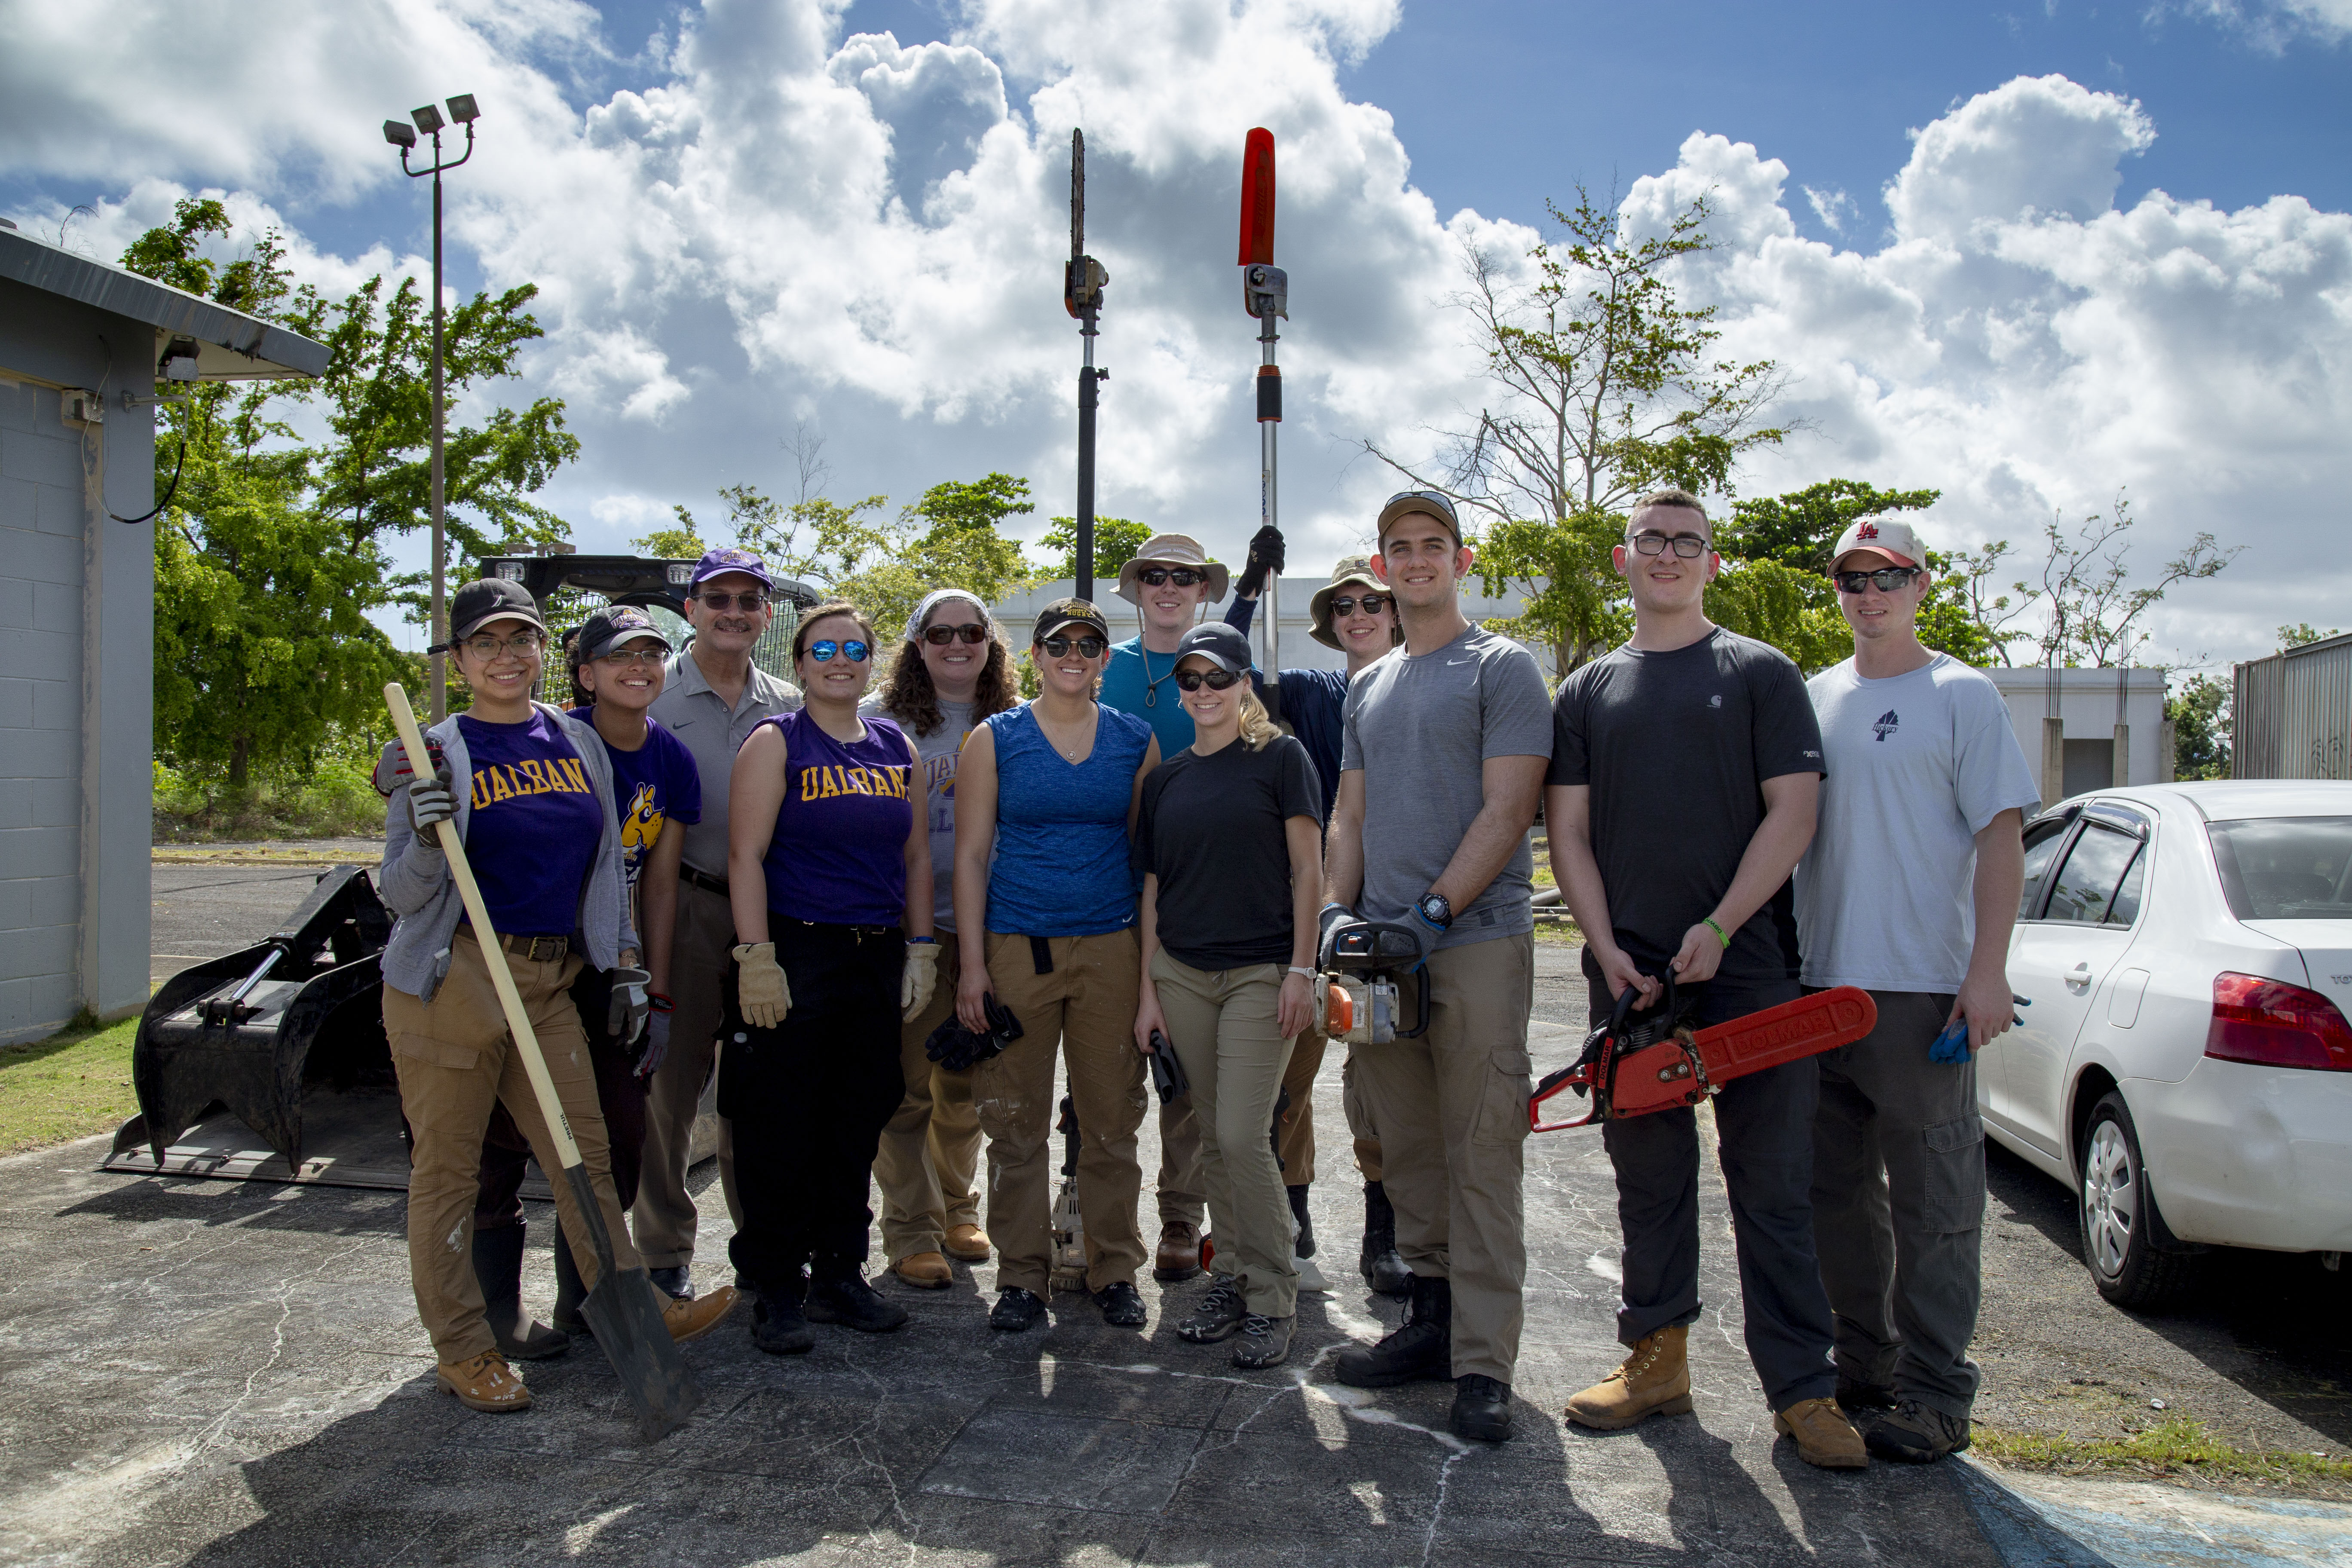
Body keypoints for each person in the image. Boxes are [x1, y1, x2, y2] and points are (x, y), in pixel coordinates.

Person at [1547, 488, 1863, 1470]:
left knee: (1772, 1185)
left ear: (1712, 562)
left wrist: (1722, 926)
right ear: (1623, 558)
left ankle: (1804, 1395)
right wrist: (1605, 951)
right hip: (1632, 980)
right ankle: (1658, 1362)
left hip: (1751, 974)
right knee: (1650, 1181)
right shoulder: (1588, 689)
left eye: (1689, 543)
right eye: (1654, 541)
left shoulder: (1762, 674)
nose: (1670, 556)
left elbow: (1794, 816)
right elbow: (1567, 833)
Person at [376, 578, 734, 1414]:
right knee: (450, 1174)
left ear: (546, 653)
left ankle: (630, 1306)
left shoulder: (575, 740)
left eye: (521, 639)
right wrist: (429, 833)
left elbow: (609, 867)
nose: (507, 656)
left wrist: (629, 963)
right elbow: (399, 890)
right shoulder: (433, 748)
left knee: (587, 1154)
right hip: (454, 978)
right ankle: (465, 1347)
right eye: (487, 643)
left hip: (547, 980)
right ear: (461, 660)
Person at [1798, 516, 2037, 1463]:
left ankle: (1938, 1397)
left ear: (1923, 584)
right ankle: (1867, 1373)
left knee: (1935, 1207)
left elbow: (2002, 837)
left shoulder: (1961, 696)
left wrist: (1987, 973)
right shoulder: (1815, 697)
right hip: (1820, 988)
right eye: (1853, 578)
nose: (1870, 593)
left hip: (1924, 993)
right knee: (1836, 1201)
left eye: (1889, 575)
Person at [1324, 492, 1551, 1444]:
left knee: (1482, 1149)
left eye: (1432, 546)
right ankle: (1429, 1323)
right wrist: (1340, 912)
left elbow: (1509, 811)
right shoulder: (1369, 685)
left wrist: (1432, 912)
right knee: (1408, 1147)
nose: (1416, 561)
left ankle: (1484, 1366)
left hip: (1474, 942)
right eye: (1399, 548)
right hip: (1382, 957)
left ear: (1462, 559)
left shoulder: (1504, 668)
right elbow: (1350, 815)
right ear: (1382, 566)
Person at [469, 605, 701, 1359]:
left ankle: (587, 1301)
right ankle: (495, 1311)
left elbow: (657, 885)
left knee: (614, 1134)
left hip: (607, 964)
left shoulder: (669, 759)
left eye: (651, 656)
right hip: (516, 956)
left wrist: (654, 988)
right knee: (497, 1137)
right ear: (586, 672)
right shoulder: (555, 736)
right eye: (619, 656)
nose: (639, 669)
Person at [723, 601, 937, 1354]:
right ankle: (776, 1286)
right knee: (782, 1123)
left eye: (854, 648)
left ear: (872, 661)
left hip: (873, 955)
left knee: (857, 1117)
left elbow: (914, 858)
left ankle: (840, 1275)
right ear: (801, 662)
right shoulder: (775, 742)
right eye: (824, 649)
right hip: (796, 952)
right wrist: (757, 958)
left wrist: (920, 948)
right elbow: (744, 856)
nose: (839, 660)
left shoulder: (894, 747)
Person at [955, 599, 1161, 1332]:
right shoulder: (995, 739)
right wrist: (972, 966)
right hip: (1017, 946)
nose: (1074, 653)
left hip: (1111, 946)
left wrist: (1148, 984)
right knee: (1014, 1120)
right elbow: (972, 854)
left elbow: (1148, 863)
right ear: (1035, 655)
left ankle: (1113, 1269)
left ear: (1106, 659)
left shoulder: (1135, 742)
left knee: (1111, 1121)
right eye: (1059, 643)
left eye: (1089, 643)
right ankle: (1021, 1276)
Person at [1134, 623, 1325, 1368]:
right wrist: (1150, 989)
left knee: (1246, 1138)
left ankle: (1275, 1296)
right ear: (1178, 691)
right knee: (1213, 1138)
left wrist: (1302, 971)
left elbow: (1309, 871)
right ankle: (1234, 1275)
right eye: (1191, 680)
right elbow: (1154, 887)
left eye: (1219, 678)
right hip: (1182, 973)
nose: (1205, 692)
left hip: (1260, 974)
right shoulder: (1167, 779)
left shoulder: (1280, 758)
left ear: (1246, 683)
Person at [1227, 551, 1412, 1296]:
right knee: (1288, 1083)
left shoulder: (1426, 686)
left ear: (1397, 611)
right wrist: (1246, 590)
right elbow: (1228, 661)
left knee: (1384, 1085)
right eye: (1345, 608)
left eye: (1372, 603)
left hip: (1394, 912)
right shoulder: (1306, 693)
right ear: (1330, 625)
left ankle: (1387, 1235)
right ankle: (1291, 1222)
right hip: (1313, 910)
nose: (1360, 616)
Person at [638, 548, 802, 1300]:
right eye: (718, 599)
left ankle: (767, 1246)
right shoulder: (650, 697)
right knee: (669, 1087)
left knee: (762, 1092)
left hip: (768, 913)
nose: (733, 612)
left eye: (749, 600)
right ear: (692, 610)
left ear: (767, 614)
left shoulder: (793, 707)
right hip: (681, 904)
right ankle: (665, 1250)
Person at [862, 589, 1017, 1289]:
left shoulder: (1019, 722)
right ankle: (912, 1228)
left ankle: (961, 1208)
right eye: (940, 633)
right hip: (909, 929)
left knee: (966, 1083)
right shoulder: (875, 724)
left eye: (972, 632)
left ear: (991, 643)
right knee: (903, 1087)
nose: (957, 644)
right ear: (916, 645)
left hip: (992, 928)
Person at [1098, 533, 1231, 1283]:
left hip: (1195, 894)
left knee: (1187, 1068)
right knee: (1104, 1068)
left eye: (1185, 577)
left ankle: (1183, 1215)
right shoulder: (1097, 666)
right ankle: (1086, 1211)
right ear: (1138, 588)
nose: (1170, 587)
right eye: (1156, 576)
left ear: (1203, 588)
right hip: (1102, 891)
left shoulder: (1221, 669)